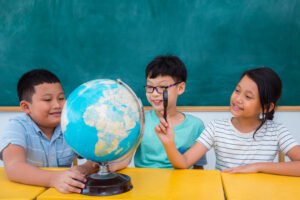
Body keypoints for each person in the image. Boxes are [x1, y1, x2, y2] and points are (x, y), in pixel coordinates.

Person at [156, 67, 300, 176]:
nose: (237, 99)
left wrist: (257, 166)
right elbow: (184, 163)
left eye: (248, 97)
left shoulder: (277, 131)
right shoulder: (216, 128)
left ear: (267, 107)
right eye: (237, 91)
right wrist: (169, 143)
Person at [0, 69, 97, 193]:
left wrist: (84, 169)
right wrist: (53, 178)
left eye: (61, 98)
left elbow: (98, 158)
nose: (57, 105)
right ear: (26, 107)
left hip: (61, 193)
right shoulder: (17, 126)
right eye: (47, 100)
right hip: (28, 192)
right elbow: (14, 167)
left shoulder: (71, 126)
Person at [111, 55, 207, 170]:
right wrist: (101, 167)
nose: (155, 93)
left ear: (180, 88)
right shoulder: (139, 121)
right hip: (147, 181)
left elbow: (198, 168)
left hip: (181, 183)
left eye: (162, 87)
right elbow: (125, 159)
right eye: (150, 86)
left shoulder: (195, 125)